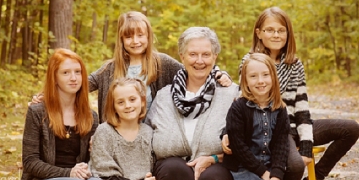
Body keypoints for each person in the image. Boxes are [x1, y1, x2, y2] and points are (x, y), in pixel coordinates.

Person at [225, 6, 359, 180]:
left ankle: (318, 178)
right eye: (270, 30)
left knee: (350, 128)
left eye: (281, 30)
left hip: (297, 126)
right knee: (296, 164)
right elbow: (243, 99)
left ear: (288, 33)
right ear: (259, 33)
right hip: (275, 129)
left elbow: (302, 108)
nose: (276, 35)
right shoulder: (251, 61)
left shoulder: (295, 64)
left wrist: (306, 145)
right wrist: (228, 132)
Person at [145, 27, 240, 180]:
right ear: (182, 57)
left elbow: (245, 143)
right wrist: (144, 171)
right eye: (193, 54)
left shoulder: (231, 94)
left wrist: (215, 158)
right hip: (172, 171)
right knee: (176, 171)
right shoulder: (164, 96)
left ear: (215, 57)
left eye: (206, 54)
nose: (200, 61)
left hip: (217, 166)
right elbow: (145, 138)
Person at [30, 11, 232, 119]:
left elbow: (193, 68)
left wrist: (219, 74)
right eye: (129, 36)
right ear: (121, 39)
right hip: (116, 132)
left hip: (150, 133)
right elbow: (80, 83)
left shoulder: (162, 63)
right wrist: (48, 94)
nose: (135, 41)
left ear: (148, 36)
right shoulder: (110, 68)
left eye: (140, 35)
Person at [19, 48, 110, 180]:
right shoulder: (37, 112)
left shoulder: (90, 116)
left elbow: (91, 163)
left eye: (78, 72)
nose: (73, 78)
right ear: (55, 78)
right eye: (66, 72)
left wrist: (93, 155)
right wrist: (68, 173)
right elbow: (30, 162)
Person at [224, 53, 295, 180]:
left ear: (273, 77)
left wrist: (276, 175)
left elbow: (282, 144)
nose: (260, 81)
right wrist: (265, 174)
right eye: (253, 76)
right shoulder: (238, 108)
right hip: (245, 169)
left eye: (265, 75)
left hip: (269, 170)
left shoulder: (279, 108)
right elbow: (238, 147)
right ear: (245, 80)